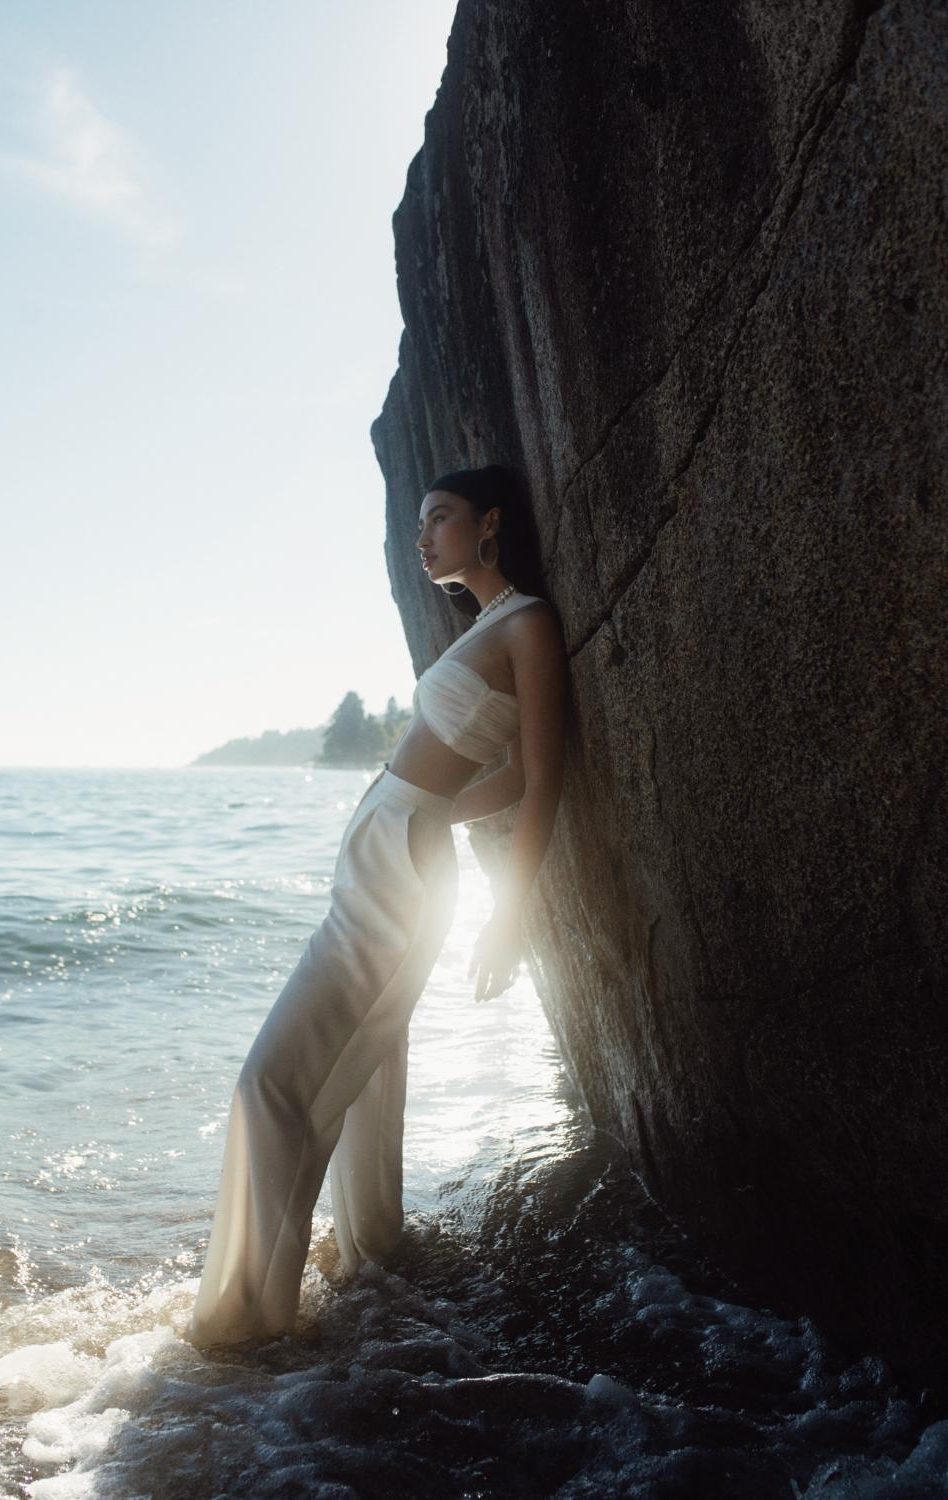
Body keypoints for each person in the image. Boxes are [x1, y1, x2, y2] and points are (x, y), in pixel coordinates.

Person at [186, 464, 567, 1348]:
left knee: (267, 1084)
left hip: (400, 871)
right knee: (363, 1074)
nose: (422, 535)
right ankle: (371, 1257)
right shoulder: (482, 632)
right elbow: (493, 777)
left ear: (489, 524)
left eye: (439, 517)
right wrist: (418, 808)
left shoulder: (529, 624)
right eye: (418, 522)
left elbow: (540, 778)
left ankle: (245, 1320)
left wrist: (508, 913)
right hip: (388, 849)